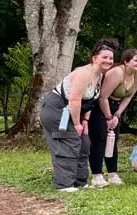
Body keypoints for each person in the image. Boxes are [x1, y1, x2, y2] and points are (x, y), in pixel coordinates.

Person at [40, 40, 115, 192]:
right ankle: (64, 184)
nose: (108, 61)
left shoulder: (99, 75)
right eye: (104, 57)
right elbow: (74, 99)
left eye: (111, 58)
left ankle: (80, 181)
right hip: (57, 109)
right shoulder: (83, 73)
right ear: (95, 58)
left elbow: (90, 100)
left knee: (84, 142)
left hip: (74, 111)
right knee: (69, 140)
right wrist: (76, 124)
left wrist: (85, 121)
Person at [87, 48, 137, 187]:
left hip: (116, 107)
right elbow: (103, 97)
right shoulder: (117, 72)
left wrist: (118, 114)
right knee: (99, 140)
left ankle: (113, 174)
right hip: (100, 106)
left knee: (113, 140)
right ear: (126, 61)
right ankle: (97, 175)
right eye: (136, 60)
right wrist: (108, 117)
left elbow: (129, 96)